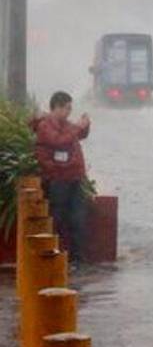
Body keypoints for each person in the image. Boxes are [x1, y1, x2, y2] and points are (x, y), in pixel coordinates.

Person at [33, 91, 92, 263]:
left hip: (74, 177)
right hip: (58, 178)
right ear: (56, 107)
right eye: (67, 108)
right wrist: (78, 127)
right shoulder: (45, 125)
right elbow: (59, 141)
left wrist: (85, 125)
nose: (69, 112)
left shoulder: (65, 124)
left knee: (78, 218)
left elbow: (79, 135)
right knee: (58, 219)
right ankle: (55, 258)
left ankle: (78, 259)